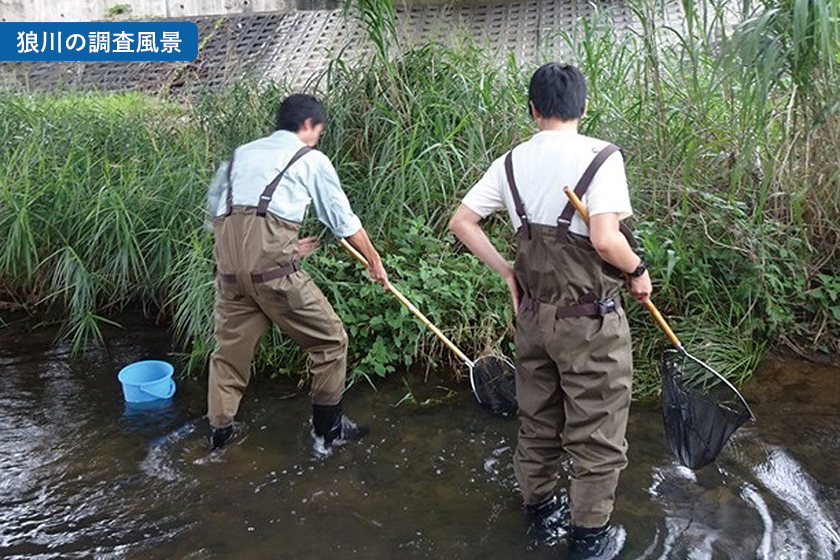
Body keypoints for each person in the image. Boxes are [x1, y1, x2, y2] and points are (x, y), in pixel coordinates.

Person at [449, 63, 652, 559]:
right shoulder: (602, 157)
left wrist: (506, 271)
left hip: (533, 320)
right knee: (598, 433)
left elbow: (463, 222)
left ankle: (540, 516)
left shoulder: (511, 162)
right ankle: (588, 541)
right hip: (590, 323)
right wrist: (638, 269)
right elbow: (605, 239)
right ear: (583, 107)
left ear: (533, 109)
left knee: (537, 421)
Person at [204, 93, 389, 453]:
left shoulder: (238, 156)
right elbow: (341, 220)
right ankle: (327, 435)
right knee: (330, 341)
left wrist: (280, 248)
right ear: (307, 125)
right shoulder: (309, 159)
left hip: (229, 276)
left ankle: (218, 441)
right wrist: (373, 259)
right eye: (318, 131)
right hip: (275, 277)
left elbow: (216, 218)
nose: (317, 138)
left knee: (228, 357)